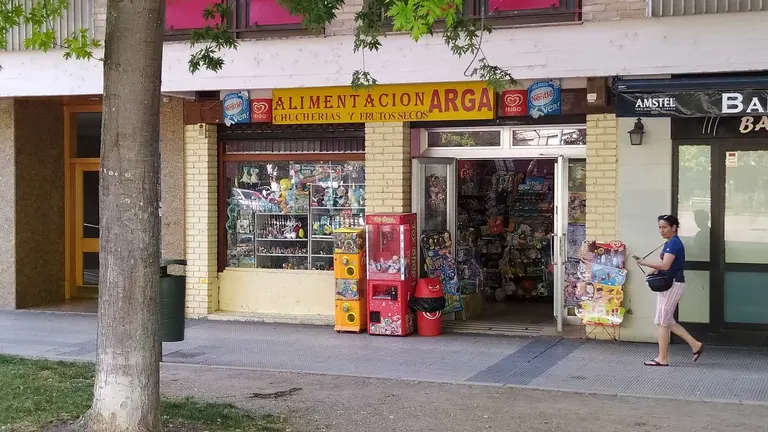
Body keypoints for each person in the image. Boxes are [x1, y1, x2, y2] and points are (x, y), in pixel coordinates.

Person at [636, 215, 704, 366]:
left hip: (672, 285)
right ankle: (695, 345)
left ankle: (663, 358)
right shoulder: (670, 243)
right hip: (670, 284)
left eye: (664, 227)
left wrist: (644, 262)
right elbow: (667, 264)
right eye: (659, 227)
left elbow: (666, 265)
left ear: (674, 227)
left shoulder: (673, 244)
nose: (661, 230)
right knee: (667, 320)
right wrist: (654, 271)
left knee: (662, 322)